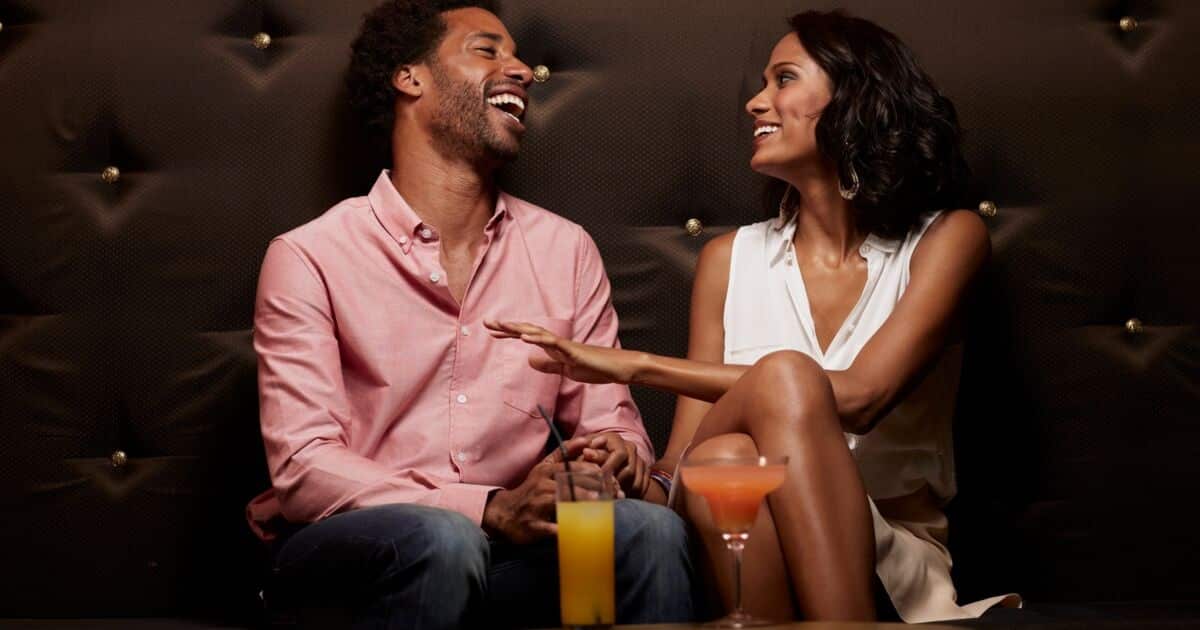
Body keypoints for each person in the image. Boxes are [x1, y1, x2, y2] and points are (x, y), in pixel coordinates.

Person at [487, 9, 1019, 624]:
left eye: (783, 79)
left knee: (766, 407)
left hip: (888, 559)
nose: (756, 102)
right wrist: (629, 475)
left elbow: (863, 397)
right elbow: (680, 464)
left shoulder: (948, 239)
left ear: (855, 97)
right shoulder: (728, 260)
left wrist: (632, 365)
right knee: (726, 458)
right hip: (737, 546)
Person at [246, 1, 694, 628]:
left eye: (518, 56)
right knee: (443, 537)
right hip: (357, 553)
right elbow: (304, 466)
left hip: (516, 553)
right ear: (411, 78)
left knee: (648, 529)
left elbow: (609, 422)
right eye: (487, 50)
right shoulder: (310, 256)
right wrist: (485, 507)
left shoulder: (565, 250)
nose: (523, 70)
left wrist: (610, 455)